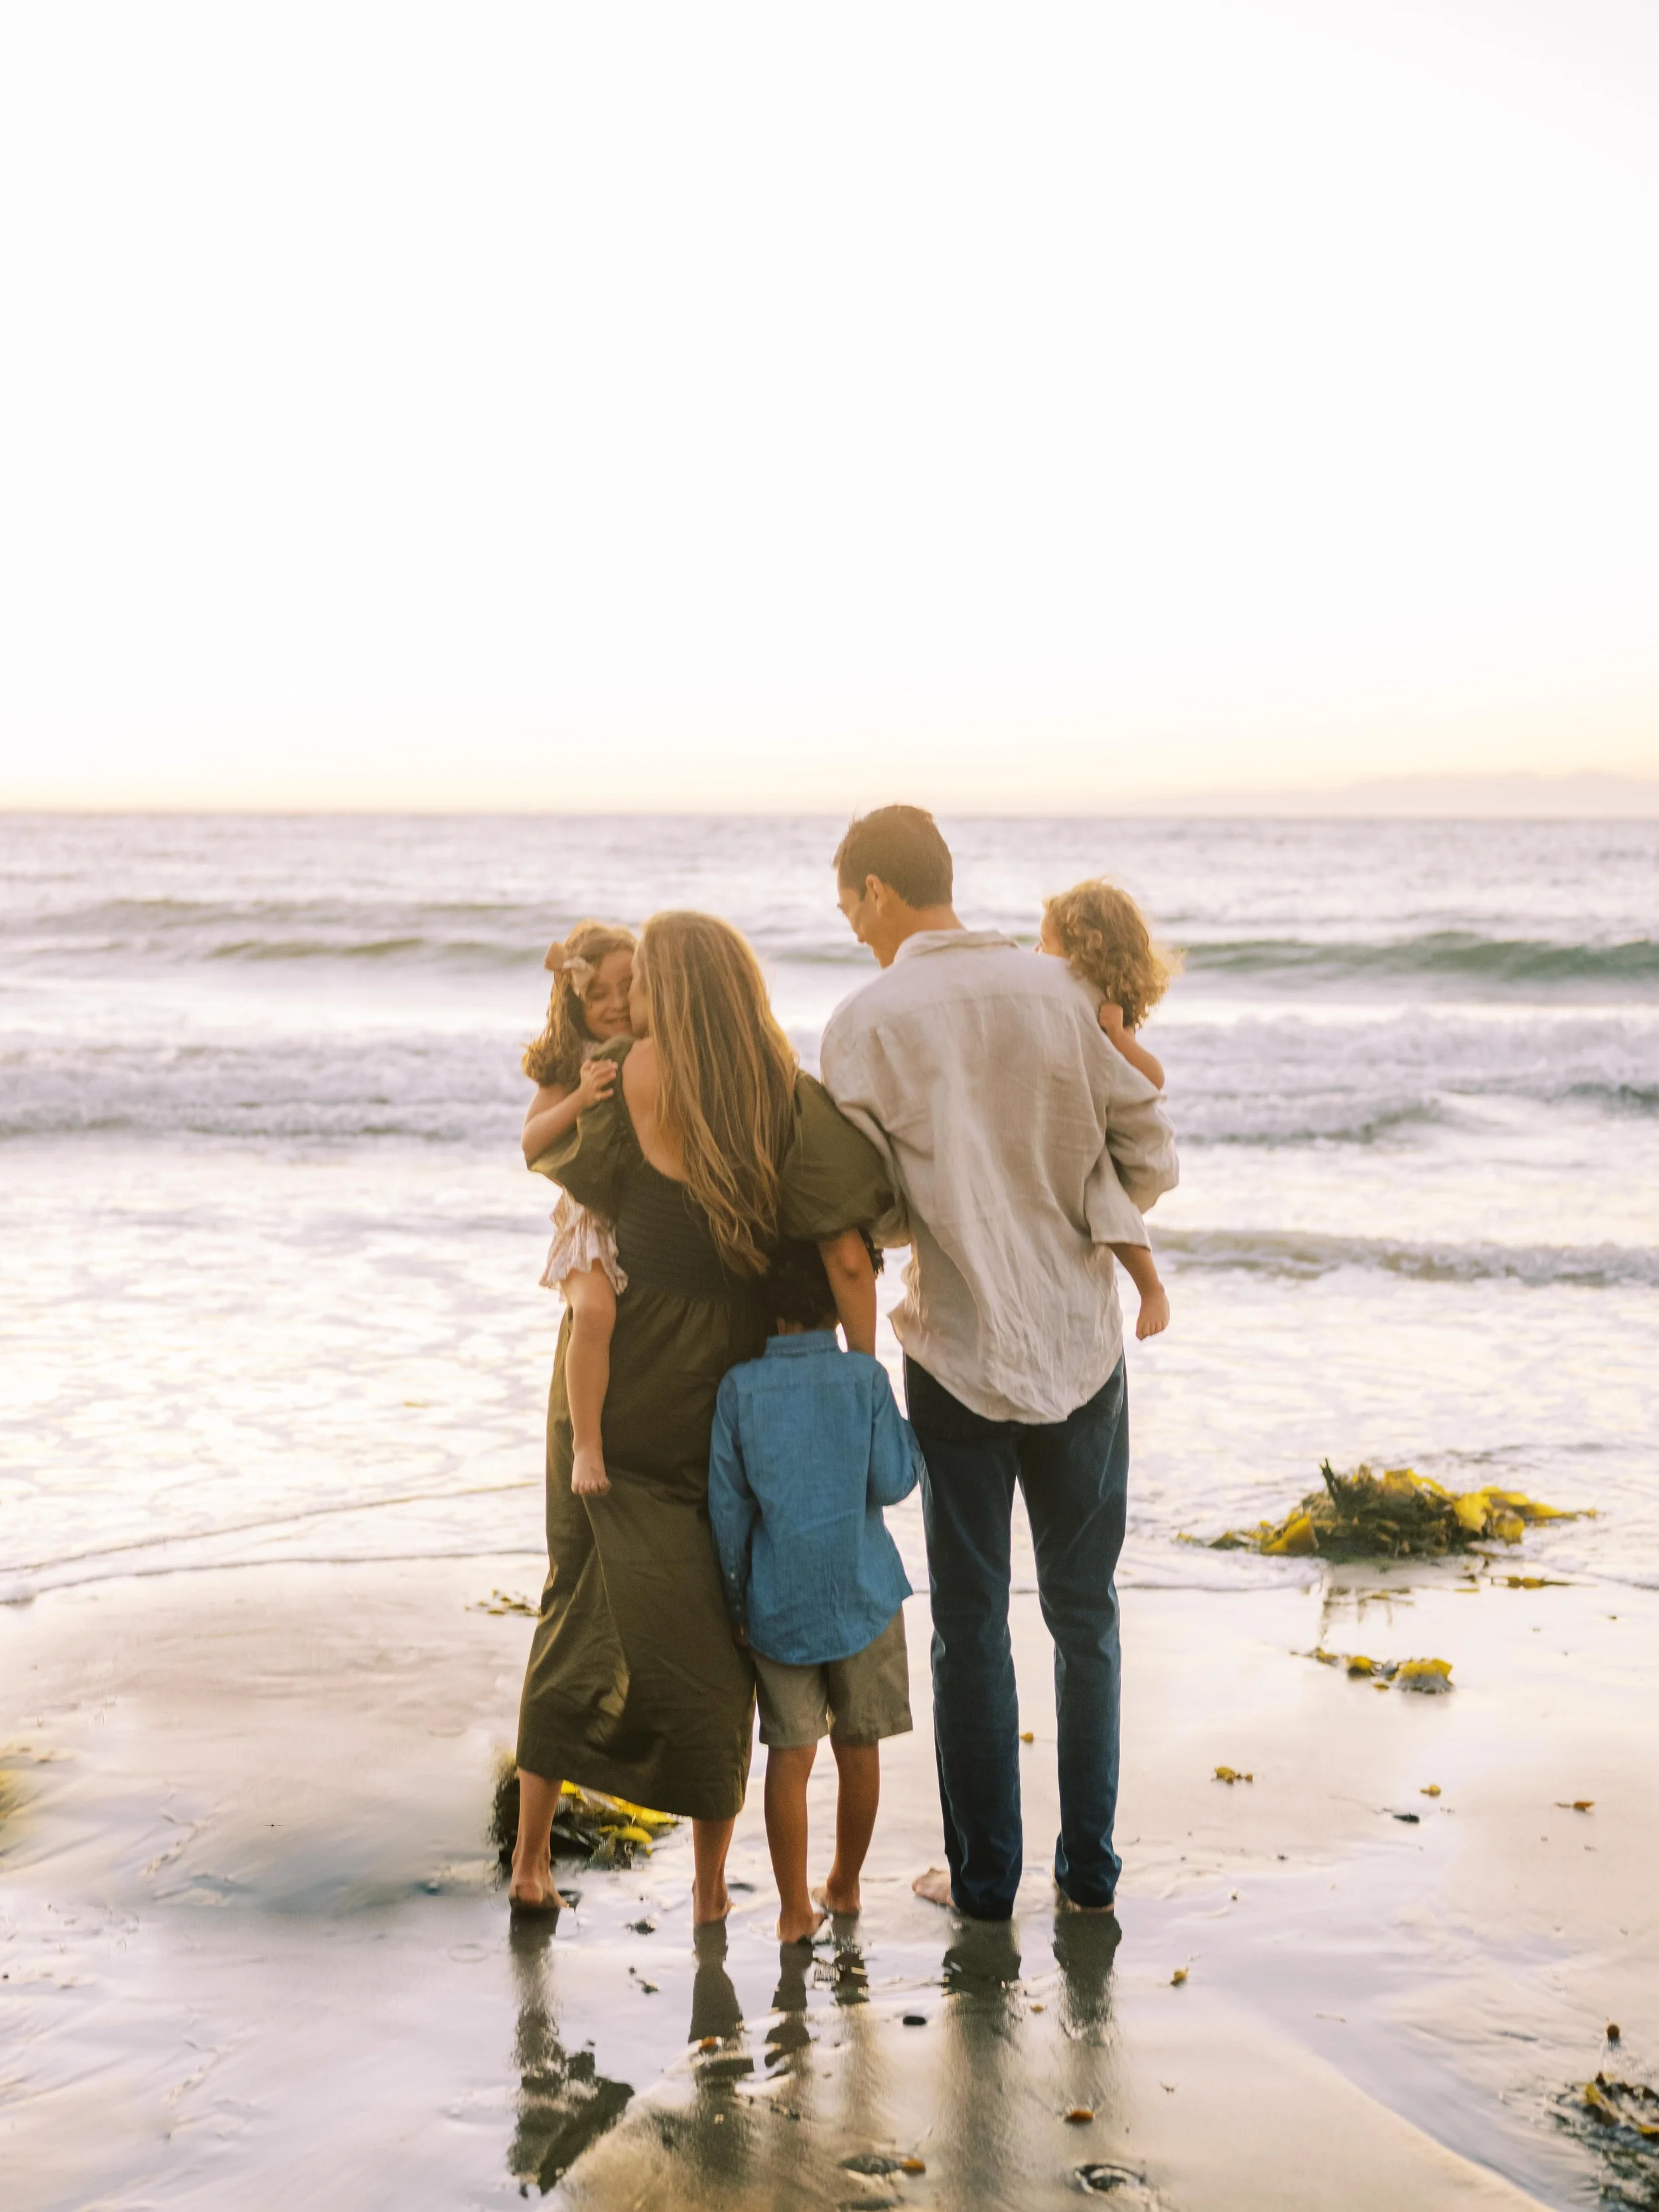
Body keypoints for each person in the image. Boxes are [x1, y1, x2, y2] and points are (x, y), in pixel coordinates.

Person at [820, 806, 1179, 1924]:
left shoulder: (864, 1024)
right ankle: (1089, 1877)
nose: (853, 926)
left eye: (849, 904)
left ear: (878, 891)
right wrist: (1082, 1207)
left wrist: (940, 1210)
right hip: (1080, 1345)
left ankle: (983, 1885)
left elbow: (870, 1212)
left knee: (970, 1624)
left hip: (959, 1351)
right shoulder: (1061, 992)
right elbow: (1149, 1150)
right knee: (1086, 1615)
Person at [508, 910, 895, 1925]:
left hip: (616, 1374)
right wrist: (858, 1382)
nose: (631, 996)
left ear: (670, 988)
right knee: (724, 1625)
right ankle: (711, 1889)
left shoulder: (626, 1070)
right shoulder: (782, 1092)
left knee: (577, 1594)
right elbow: (851, 1239)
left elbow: (556, 1160)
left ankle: (532, 1861)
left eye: (644, 980)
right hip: (726, 1381)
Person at [707, 1238, 924, 1944]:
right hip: (864, 1593)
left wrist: (737, 1602)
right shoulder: (863, 1379)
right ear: (837, 1304)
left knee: (791, 1755)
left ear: (770, 1310)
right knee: (859, 1748)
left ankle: (793, 1911)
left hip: (778, 1603)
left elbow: (728, 1513)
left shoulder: (739, 1390)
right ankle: (845, 1883)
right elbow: (893, 1481)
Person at [1038, 877, 1182, 1341]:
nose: (1036, 954)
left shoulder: (1108, 1011)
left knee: (1105, 1200)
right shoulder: (1058, 1004)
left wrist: (1119, 1037)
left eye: (1045, 944)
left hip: (1105, 1133)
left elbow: (1153, 1077)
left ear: (1085, 953)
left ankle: (1152, 1289)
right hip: (1081, 1123)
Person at [520, 922, 637, 1495]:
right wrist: (580, 1097)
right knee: (594, 1313)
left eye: (628, 986)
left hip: (640, 1211)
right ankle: (586, 1446)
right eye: (598, 995)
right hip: (588, 1221)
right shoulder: (575, 1062)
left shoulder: (655, 1045)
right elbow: (531, 1141)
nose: (616, 1004)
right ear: (575, 1003)